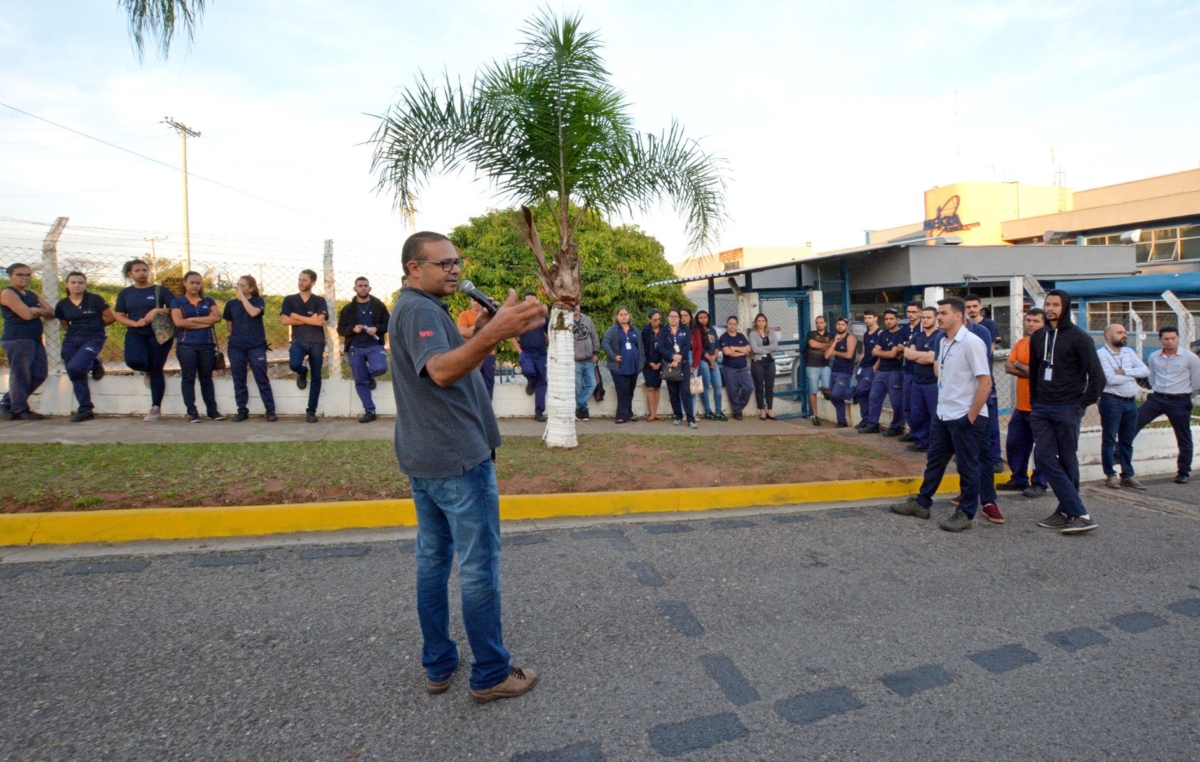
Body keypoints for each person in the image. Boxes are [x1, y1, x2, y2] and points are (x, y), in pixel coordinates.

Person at [390, 231, 545, 702]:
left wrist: (479, 334)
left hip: (427, 457)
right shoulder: (417, 308)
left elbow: (444, 361)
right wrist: (497, 333)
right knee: (479, 568)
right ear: (414, 269)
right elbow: (441, 370)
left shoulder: (421, 307)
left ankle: (439, 664)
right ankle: (491, 674)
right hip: (456, 460)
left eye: (456, 261)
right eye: (442, 263)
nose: (454, 270)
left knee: (433, 563)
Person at [891, 297, 992, 532]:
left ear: (958, 316)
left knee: (967, 467)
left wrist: (971, 417)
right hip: (944, 413)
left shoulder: (971, 342)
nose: (939, 317)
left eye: (943, 313)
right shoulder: (943, 340)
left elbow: (985, 383)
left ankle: (965, 513)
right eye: (938, 313)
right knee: (935, 461)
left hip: (965, 416)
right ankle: (922, 503)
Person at [1027, 289, 1105, 534]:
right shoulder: (1039, 336)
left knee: (1068, 459)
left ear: (1065, 307)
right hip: (1042, 408)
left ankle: (1068, 510)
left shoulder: (1079, 338)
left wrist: (1080, 405)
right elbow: (1035, 372)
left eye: (1056, 305)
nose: (1050, 309)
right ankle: (1077, 511)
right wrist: (1035, 402)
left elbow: (1097, 378)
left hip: (1067, 409)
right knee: (1044, 458)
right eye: (1048, 304)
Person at [1134, 326, 1200, 485]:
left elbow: (1197, 382)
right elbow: (1152, 379)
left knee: (1183, 436)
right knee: (1133, 422)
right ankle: (1117, 454)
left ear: (1178, 338)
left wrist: (1184, 396)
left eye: (1173, 338)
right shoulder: (1154, 357)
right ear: (1160, 340)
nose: (1170, 342)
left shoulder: (1190, 358)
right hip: (1157, 399)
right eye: (1166, 339)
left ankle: (1183, 472)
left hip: (1180, 401)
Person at [113, 259, 174, 422]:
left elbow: (177, 308)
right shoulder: (125, 293)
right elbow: (118, 315)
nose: (142, 273)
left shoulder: (160, 290)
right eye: (138, 270)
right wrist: (135, 323)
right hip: (135, 333)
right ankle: (147, 370)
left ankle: (155, 408)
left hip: (159, 333)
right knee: (134, 361)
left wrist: (157, 310)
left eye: (145, 270)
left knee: (156, 369)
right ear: (130, 273)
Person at [998, 308, 1050, 497]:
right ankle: (1018, 479)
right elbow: (1008, 367)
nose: (1031, 324)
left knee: (1042, 448)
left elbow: (1044, 374)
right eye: (1029, 320)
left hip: (1040, 406)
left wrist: (1021, 366)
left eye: (1036, 321)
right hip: (1021, 406)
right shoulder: (1022, 342)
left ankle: (1039, 483)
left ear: (1045, 324)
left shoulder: (1049, 345)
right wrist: (1027, 369)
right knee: (1015, 444)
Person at [54, 272, 115, 422]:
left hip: (94, 338)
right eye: (73, 282)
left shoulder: (95, 299)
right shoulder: (62, 304)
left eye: (80, 282)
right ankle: (85, 409)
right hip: (72, 339)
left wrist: (95, 328)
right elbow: (64, 323)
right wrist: (75, 332)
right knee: (74, 373)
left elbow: (110, 318)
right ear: (66, 284)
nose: (77, 285)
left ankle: (94, 361)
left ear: (85, 284)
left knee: (75, 366)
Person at [1097, 323, 1149, 489]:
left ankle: (1127, 474)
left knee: (1127, 440)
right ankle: (1110, 474)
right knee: (1110, 439)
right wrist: (1131, 374)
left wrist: (1124, 372)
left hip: (1130, 401)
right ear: (1109, 336)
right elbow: (1110, 380)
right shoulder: (1101, 355)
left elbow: (1145, 371)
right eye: (1120, 332)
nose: (1124, 335)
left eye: (1125, 332)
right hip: (1112, 401)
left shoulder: (1129, 352)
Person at [0, 263, 53, 421]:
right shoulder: (8, 293)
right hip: (18, 339)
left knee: (40, 373)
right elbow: (26, 315)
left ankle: (7, 402)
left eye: (28, 275)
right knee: (21, 375)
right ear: (11, 276)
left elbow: (51, 312)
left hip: (35, 339)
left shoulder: (31, 294)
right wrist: (34, 311)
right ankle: (20, 409)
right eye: (20, 275)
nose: (24, 278)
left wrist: (35, 310)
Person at [170, 271, 224, 423]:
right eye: (192, 282)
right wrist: (204, 323)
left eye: (198, 283)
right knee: (188, 378)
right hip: (186, 346)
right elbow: (179, 322)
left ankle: (212, 411)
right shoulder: (177, 302)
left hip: (207, 345)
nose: (195, 286)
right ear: (184, 283)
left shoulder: (207, 300)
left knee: (206, 378)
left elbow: (216, 317)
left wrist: (192, 320)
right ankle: (192, 412)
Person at [223, 275, 277, 422]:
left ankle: (270, 410)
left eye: (243, 285)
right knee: (239, 379)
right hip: (236, 347)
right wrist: (237, 336)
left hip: (256, 346)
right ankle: (242, 410)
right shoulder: (230, 304)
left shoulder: (258, 301)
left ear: (251, 288)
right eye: (238, 284)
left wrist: (243, 298)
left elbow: (253, 312)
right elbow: (229, 324)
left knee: (261, 377)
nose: (238, 287)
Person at [337, 277, 390, 423]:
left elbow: (388, 323)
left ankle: (367, 376)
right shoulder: (348, 309)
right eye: (360, 286)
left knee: (380, 368)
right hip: (355, 347)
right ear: (355, 288)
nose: (363, 288)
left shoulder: (378, 305)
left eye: (366, 285)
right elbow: (340, 330)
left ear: (370, 288)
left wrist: (376, 328)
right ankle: (370, 410)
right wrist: (352, 329)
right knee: (360, 381)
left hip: (374, 345)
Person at [281, 269, 330, 423]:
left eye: (304, 280)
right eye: (300, 279)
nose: (301, 283)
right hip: (298, 340)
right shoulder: (289, 300)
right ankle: (302, 372)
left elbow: (319, 322)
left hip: (317, 341)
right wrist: (309, 319)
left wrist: (296, 316)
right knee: (294, 364)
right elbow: (285, 321)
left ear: (312, 283)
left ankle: (311, 411)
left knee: (317, 376)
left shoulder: (319, 301)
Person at [965, 293, 1004, 471]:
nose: (971, 310)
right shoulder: (962, 328)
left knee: (991, 424)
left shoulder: (989, 325)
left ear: (980, 306)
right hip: (965, 383)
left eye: (974, 306)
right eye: (968, 307)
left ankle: (995, 459)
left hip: (984, 380)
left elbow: (988, 351)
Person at [902, 306, 941, 452]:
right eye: (923, 317)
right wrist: (922, 356)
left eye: (928, 317)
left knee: (934, 414)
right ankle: (921, 441)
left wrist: (916, 355)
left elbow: (932, 358)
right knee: (917, 413)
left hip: (932, 382)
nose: (925, 320)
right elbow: (907, 353)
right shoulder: (917, 336)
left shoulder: (939, 336)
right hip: (917, 381)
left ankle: (936, 444)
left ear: (936, 318)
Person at [862, 308, 905, 436]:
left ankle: (896, 427)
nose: (888, 321)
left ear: (897, 319)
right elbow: (875, 351)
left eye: (891, 319)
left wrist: (882, 353)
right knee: (874, 397)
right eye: (886, 319)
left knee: (896, 401)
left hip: (895, 372)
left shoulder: (901, 334)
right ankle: (872, 424)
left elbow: (893, 355)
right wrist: (884, 354)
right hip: (881, 371)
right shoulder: (883, 334)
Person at [511, 293, 549, 423]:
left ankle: (539, 412)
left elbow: (550, 331)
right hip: (526, 353)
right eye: (528, 302)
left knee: (542, 381)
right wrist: (520, 352)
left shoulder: (543, 317)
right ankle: (531, 382)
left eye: (533, 302)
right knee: (528, 371)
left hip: (541, 354)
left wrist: (546, 340)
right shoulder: (521, 318)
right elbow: (512, 335)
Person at [602, 306, 643, 424]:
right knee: (622, 391)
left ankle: (629, 414)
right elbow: (605, 343)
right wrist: (613, 356)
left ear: (629, 316)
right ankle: (620, 416)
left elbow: (640, 347)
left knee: (630, 391)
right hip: (618, 367)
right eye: (621, 314)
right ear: (617, 317)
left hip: (633, 366)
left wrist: (641, 362)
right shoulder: (613, 330)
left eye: (625, 314)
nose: (624, 316)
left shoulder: (635, 330)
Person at [658, 307, 697, 428]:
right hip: (669, 365)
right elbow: (661, 347)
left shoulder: (685, 329)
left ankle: (691, 419)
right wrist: (672, 357)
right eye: (671, 316)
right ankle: (678, 416)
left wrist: (678, 357)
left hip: (683, 364)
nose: (673, 318)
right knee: (673, 392)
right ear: (668, 318)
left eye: (676, 316)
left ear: (679, 318)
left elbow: (686, 347)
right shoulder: (663, 331)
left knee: (685, 392)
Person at [457, 299, 496, 399]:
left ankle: (487, 412)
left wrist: (472, 329)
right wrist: (481, 330)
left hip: (488, 353)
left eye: (478, 301)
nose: (476, 303)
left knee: (487, 383)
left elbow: (492, 333)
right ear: (470, 302)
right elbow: (462, 332)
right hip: (471, 353)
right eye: (474, 301)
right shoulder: (464, 315)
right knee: (470, 382)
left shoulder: (490, 316)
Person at [717, 315, 752, 420]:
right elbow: (727, 352)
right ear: (727, 324)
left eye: (734, 324)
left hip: (743, 367)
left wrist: (735, 348)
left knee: (749, 387)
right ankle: (737, 412)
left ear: (737, 325)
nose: (732, 326)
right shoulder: (724, 337)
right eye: (730, 324)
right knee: (733, 390)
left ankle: (739, 407)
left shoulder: (741, 336)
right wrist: (742, 352)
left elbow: (748, 349)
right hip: (729, 368)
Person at [825, 316, 857, 428]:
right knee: (834, 398)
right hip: (834, 371)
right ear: (835, 326)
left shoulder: (850, 338)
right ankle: (842, 422)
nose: (840, 326)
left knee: (835, 394)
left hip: (845, 372)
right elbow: (827, 355)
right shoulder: (835, 339)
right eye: (838, 324)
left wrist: (836, 353)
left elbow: (849, 355)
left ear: (847, 326)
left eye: (843, 324)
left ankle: (856, 391)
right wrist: (834, 343)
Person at [693, 310, 725, 421]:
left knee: (718, 386)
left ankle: (718, 411)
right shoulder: (696, 331)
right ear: (697, 319)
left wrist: (714, 357)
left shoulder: (712, 330)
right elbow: (699, 347)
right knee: (705, 386)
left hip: (713, 360)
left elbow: (717, 345)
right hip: (702, 360)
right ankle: (708, 411)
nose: (703, 319)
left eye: (705, 317)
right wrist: (709, 358)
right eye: (700, 317)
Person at [897, 301, 922, 441]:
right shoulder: (904, 328)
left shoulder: (923, 328)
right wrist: (908, 349)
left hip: (919, 370)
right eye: (909, 312)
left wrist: (908, 349)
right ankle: (913, 432)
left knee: (918, 406)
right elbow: (900, 346)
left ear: (920, 312)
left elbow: (916, 349)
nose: (911, 314)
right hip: (906, 370)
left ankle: (921, 435)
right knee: (906, 404)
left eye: (913, 312)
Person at [572, 307, 601, 422]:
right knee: (578, 387)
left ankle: (578, 405)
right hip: (575, 361)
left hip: (589, 360)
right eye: (573, 305)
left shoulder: (587, 320)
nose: (575, 307)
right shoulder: (566, 322)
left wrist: (596, 352)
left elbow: (594, 337)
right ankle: (583, 412)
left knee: (592, 384)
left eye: (577, 305)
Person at [854, 310, 881, 429]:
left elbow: (880, 352)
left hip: (872, 367)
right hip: (863, 367)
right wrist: (859, 364)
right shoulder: (865, 334)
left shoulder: (880, 333)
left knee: (863, 390)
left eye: (870, 317)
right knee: (862, 394)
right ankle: (865, 419)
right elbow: (864, 351)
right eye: (865, 318)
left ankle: (873, 422)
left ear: (875, 318)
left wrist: (875, 367)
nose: (867, 320)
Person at [749, 312, 777, 420]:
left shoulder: (771, 332)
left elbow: (775, 346)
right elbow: (755, 349)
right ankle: (761, 410)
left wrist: (763, 348)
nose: (761, 323)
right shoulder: (752, 334)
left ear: (766, 322)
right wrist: (768, 348)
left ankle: (770, 409)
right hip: (758, 362)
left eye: (763, 321)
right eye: (759, 321)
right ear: (756, 323)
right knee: (759, 386)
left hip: (770, 361)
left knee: (770, 387)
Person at [805, 315, 832, 426]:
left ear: (825, 324)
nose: (819, 324)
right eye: (817, 322)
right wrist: (827, 345)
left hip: (825, 365)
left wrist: (820, 346)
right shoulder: (811, 334)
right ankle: (816, 415)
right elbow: (813, 344)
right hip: (812, 366)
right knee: (813, 391)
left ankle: (824, 390)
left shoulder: (830, 335)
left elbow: (831, 348)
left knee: (827, 388)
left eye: (821, 322)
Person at [641, 308, 665, 421]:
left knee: (657, 388)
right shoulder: (645, 331)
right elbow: (643, 349)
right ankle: (652, 413)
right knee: (650, 387)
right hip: (648, 364)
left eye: (659, 319)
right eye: (655, 320)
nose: (657, 322)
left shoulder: (664, 330)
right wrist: (650, 362)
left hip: (661, 363)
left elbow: (666, 348)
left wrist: (660, 362)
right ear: (649, 320)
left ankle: (656, 412)